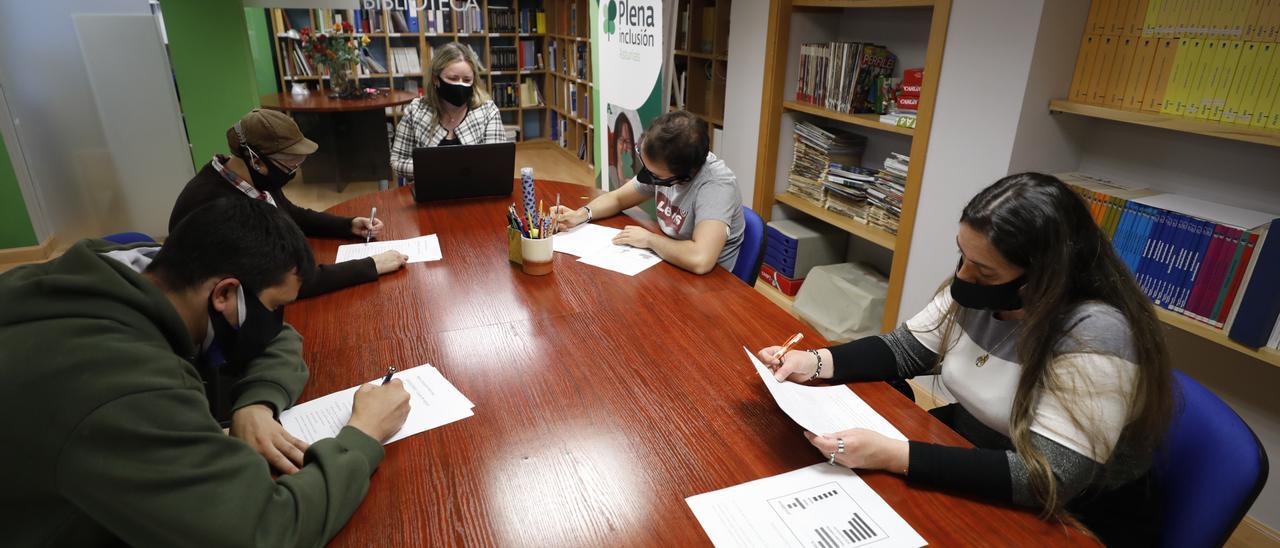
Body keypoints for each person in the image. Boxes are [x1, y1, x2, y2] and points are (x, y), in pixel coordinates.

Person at [756, 173, 1173, 545]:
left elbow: (1047, 478)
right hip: (973, 447)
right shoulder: (977, 288)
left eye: (985, 272)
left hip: (1072, 513)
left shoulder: (1096, 333)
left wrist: (892, 454)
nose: (963, 277)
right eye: (963, 256)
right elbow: (905, 349)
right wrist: (813, 362)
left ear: (1044, 278)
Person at [0, 198, 410, 546]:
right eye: (271, 306)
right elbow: (264, 530)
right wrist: (363, 436)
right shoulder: (122, 389)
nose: (275, 320)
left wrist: (256, 403)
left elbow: (278, 337)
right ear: (224, 293)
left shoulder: (139, 268)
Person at [170, 108, 407, 299]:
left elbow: (289, 213)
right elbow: (286, 282)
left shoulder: (247, 176)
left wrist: (348, 225)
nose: (295, 171)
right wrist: (371, 265)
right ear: (256, 160)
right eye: (290, 165)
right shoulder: (218, 208)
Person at [553, 111, 744, 275]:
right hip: (668, 262)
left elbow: (700, 259)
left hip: (710, 286)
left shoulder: (716, 186)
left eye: (655, 175)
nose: (648, 176)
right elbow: (618, 198)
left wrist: (649, 239)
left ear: (684, 175)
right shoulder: (662, 162)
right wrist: (581, 214)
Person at [390, 42, 507, 182]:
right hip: (429, 193)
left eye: (467, 80)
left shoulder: (488, 111)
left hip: (474, 194)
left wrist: (444, 168)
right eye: (453, 78)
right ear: (435, 79)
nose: (460, 85)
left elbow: (495, 162)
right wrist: (439, 169)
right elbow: (397, 161)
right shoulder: (416, 111)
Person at [608, 110, 638, 191]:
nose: (624, 148)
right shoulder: (609, 172)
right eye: (621, 141)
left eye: (628, 142)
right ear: (615, 142)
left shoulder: (640, 170)